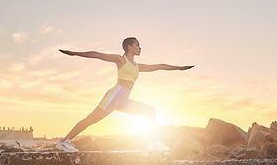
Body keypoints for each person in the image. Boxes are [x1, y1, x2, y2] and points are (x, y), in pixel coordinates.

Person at [56, 37, 194, 152]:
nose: (140, 48)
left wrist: (180, 68)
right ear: (129, 47)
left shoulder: (137, 66)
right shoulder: (121, 60)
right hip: (115, 95)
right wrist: (74, 53)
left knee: (150, 111)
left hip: (124, 100)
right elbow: (98, 55)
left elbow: (160, 66)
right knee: (91, 119)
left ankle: (153, 142)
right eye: (137, 45)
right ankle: (64, 141)